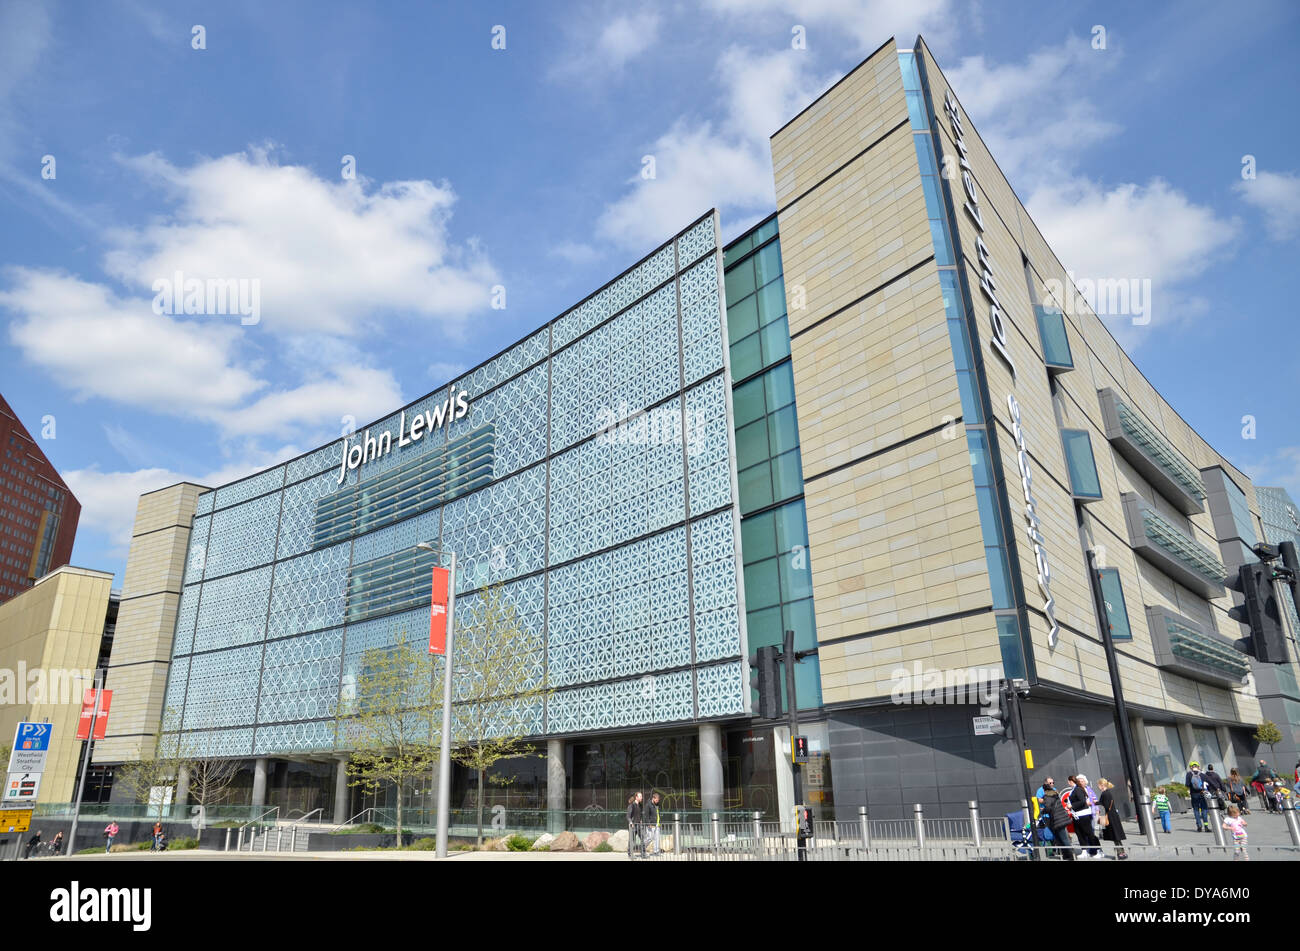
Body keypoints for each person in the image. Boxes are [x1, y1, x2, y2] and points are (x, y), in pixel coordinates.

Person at [1069, 772, 1098, 859]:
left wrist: (1072, 805)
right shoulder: (1074, 789)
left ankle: (1096, 851)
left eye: (1069, 781)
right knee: (1079, 833)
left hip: (1084, 814)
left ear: (1071, 781)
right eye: (1080, 781)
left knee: (1089, 833)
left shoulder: (1078, 789)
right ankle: (1084, 850)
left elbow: (1083, 801)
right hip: (1077, 815)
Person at [1096, 779, 1127, 859]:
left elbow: (1105, 806)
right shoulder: (1108, 792)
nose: (1098, 787)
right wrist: (1097, 802)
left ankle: (1120, 853)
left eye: (1098, 785)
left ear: (1102, 785)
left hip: (1110, 817)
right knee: (1116, 836)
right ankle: (1122, 852)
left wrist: (1095, 804)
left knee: (1115, 836)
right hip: (1113, 816)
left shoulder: (1105, 794)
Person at [1042, 787, 1073, 860]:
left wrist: (1043, 811)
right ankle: (1067, 855)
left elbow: (1048, 808)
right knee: (1063, 839)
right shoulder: (1055, 796)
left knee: (1062, 839)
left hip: (1057, 820)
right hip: (1062, 819)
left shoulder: (1047, 797)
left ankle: (1070, 856)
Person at [1185, 762, 1210, 832]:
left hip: (1194, 795)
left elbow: (1187, 784)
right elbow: (1208, 784)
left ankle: (1199, 826)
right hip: (1202, 794)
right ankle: (1206, 826)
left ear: (1191, 767)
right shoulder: (1202, 774)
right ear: (1198, 767)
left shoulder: (1189, 774)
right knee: (1204, 809)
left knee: (1196, 810)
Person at [625, 792, 645, 859]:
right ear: (636, 797)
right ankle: (630, 854)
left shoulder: (640, 805)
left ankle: (643, 853)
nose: (641, 798)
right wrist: (631, 822)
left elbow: (640, 815)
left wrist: (641, 820)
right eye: (640, 796)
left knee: (642, 838)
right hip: (633, 826)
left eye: (641, 796)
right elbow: (628, 816)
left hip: (639, 825)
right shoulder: (632, 805)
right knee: (632, 840)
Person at [642, 791, 662, 856]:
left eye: (658, 800)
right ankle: (642, 847)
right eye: (656, 800)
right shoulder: (648, 805)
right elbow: (646, 815)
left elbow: (658, 813)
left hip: (657, 824)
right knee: (649, 837)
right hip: (651, 824)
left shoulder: (657, 805)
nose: (657, 801)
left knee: (657, 838)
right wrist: (648, 824)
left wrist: (659, 822)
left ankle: (656, 851)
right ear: (653, 798)